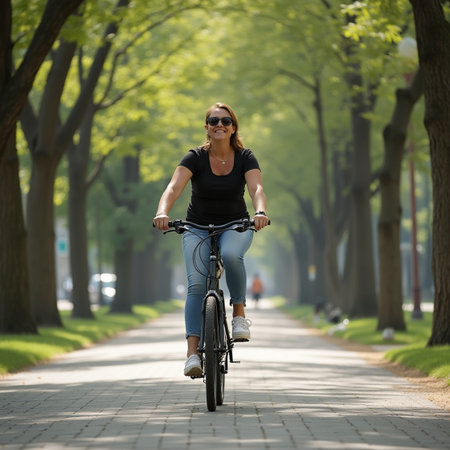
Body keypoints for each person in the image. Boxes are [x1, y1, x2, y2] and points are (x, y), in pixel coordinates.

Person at [153, 102, 270, 377]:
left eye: (226, 121)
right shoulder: (194, 157)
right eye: (214, 120)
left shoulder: (245, 157)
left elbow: (257, 188)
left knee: (230, 255)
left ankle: (239, 314)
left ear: (233, 127)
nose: (220, 125)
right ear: (206, 127)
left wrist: (260, 211)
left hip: (236, 224)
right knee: (196, 284)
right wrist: (162, 212)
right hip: (196, 226)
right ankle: (192, 355)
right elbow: (174, 187)